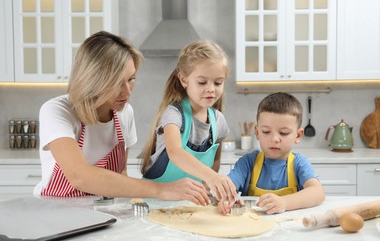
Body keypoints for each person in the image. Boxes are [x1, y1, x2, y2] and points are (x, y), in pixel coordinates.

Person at [33, 31, 209, 205]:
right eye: (117, 82)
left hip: (103, 214)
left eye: (131, 79)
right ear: (93, 80)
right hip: (57, 214)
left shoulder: (125, 113)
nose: (127, 91)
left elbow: (121, 174)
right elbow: (79, 176)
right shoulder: (57, 111)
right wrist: (161, 190)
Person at [141, 40, 237, 201]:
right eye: (202, 82)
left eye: (218, 82)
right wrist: (212, 177)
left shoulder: (219, 121)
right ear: (184, 80)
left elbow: (216, 160)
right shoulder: (173, 114)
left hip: (189, 202)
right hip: (156, 201)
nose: (211, 89)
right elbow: (175, 153)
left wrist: (206, 187)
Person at [218, 92, 325, 214]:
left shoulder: (299, 164)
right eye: (266, 131)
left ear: (298, 135)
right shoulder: (248, 163)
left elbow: (317, 193)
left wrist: (284, 203)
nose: (274, 139)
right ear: (257, 133)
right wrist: (226, 197)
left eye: (283, 133)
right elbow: (229, 186)